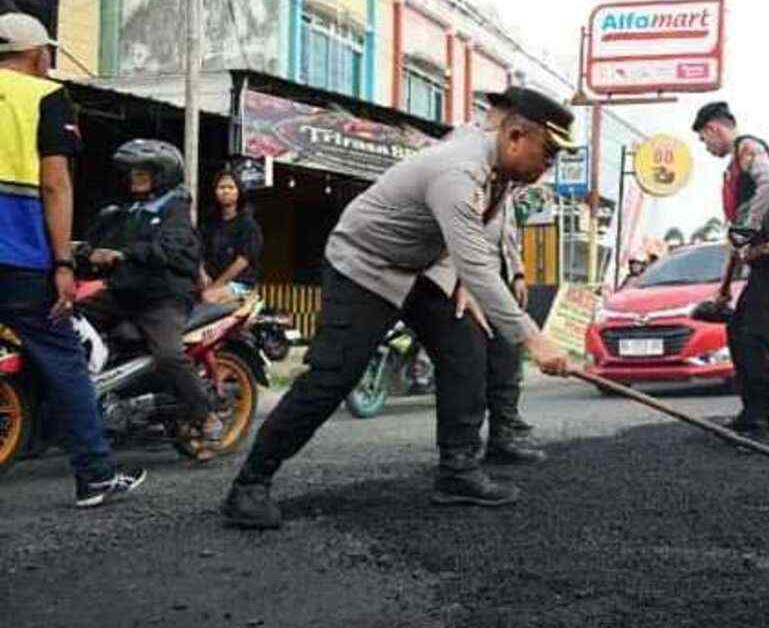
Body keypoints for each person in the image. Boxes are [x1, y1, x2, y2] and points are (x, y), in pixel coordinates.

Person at [221, 86, 574, 529]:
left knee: (467, 350)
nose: (549, 165)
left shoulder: (499, 170)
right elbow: (480, 263)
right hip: (364, 265)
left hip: (423, 268)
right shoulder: (459, 169)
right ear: (516, 137)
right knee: (334, 376)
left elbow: (470, 247)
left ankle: (458, 472)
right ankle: (250, 485)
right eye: (547, 153)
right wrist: (532, 337)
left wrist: (463, 281)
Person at [0, 12, 146, 506]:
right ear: (39, 54)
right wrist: (64, 263)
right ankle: (95, 476)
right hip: (20, 259)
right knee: (64, 362)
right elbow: (55, 182)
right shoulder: (45, 96)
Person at [423, 96, 544, 466]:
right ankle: (461, 455)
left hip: (497, 269)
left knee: (507, 357)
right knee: (470, 358)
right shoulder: (462, 148)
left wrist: (518, 270)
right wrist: (460, 278)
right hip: (465, 271)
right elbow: (452, 221)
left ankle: (503, 434)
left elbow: (505, 223)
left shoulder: (506, 159)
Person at [80, 139, 218, 460]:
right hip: (122, 293)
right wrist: (81, 249)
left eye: (142, 172)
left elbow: (168, 249)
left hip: (162, 298)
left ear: (163, 173)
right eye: (131, 172)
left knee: (169, 355)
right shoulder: (126, 211)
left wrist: (122, 254)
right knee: (64, 316)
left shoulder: (176, 209)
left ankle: (204, 413)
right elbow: (98, 242)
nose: (134, 177)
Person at [695, 101, 769, 451]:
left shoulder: (748, 147)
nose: (706, 147)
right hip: (763, 259)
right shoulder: (731, 174)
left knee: (760, 335)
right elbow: (736, 238)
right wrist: (724, 291)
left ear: (715, 128)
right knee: (738, 329)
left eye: (704, 140)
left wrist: (748, 224)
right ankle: (754, 414)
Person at [201, 169, 264, 304]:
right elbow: (199, 251)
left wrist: (217, 285)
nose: (226, 191)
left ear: (238, 191)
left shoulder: (248, 225)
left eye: (230, 187)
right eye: (221, 187)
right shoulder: (209, 223)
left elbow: (242, 262)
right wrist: (202, 273)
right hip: (210, 280)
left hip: (240, 283)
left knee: (208, 297)